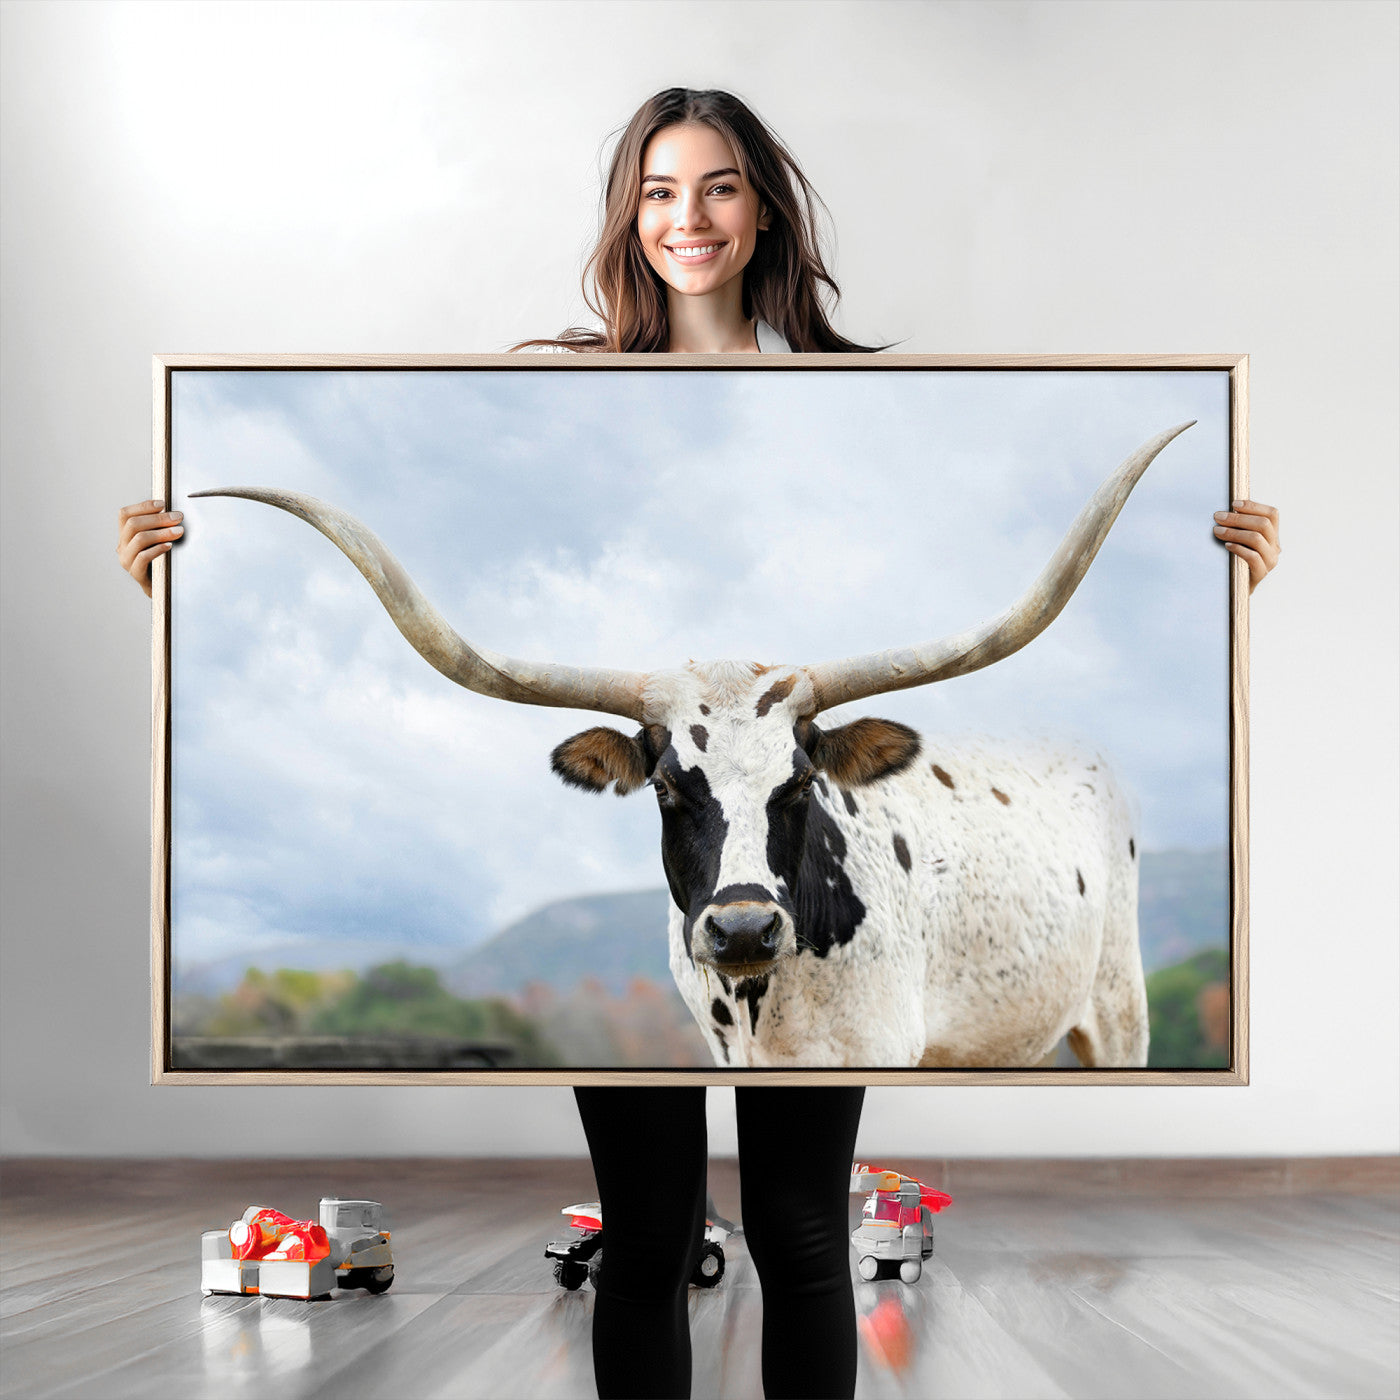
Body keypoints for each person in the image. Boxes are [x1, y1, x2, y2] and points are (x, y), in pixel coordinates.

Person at [117, 87, 1281, 1399]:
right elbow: (479, 627)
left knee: (797, 1233)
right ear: (629, 213)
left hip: (807, 872)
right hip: (699, 884)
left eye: (719, 185)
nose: (690, 218)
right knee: (648, 1242)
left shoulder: (846, 406)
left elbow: (954, 604)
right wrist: (175, 588)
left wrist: (1229, 575)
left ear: (762, 205)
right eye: (661, 190)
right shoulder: (555, 400)